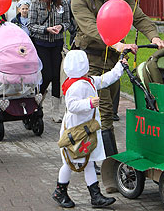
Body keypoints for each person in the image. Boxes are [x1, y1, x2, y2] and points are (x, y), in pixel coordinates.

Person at [71, 0, 164, 155]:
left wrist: (154, 37)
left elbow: (139, 18)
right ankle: (110, 161)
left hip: (115, 60)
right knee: (104, 110)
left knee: (109, 109)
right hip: (90, 60)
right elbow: (90, 28)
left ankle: (90, 150)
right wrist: (116, 44)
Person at [53, 49, 125, 209]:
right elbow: (71, 105)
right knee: (69, 162)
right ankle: (60, 191)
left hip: (85, 131)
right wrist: (89, 103)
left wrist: (119, 66)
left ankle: (95, 195)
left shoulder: (87, 80)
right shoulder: (76, 86)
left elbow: (105, 79)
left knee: (89, 162)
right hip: (76, 133)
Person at [28, 0, 70, 122]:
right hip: (42, 44)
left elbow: (68, 23)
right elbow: (31, 25)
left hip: (57, 44)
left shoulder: (63, 3)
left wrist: (61, 27)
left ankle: (56, 112)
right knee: (47, 75)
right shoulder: (36, 4)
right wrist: (46, 29)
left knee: (58, 77)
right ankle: (36, 102)